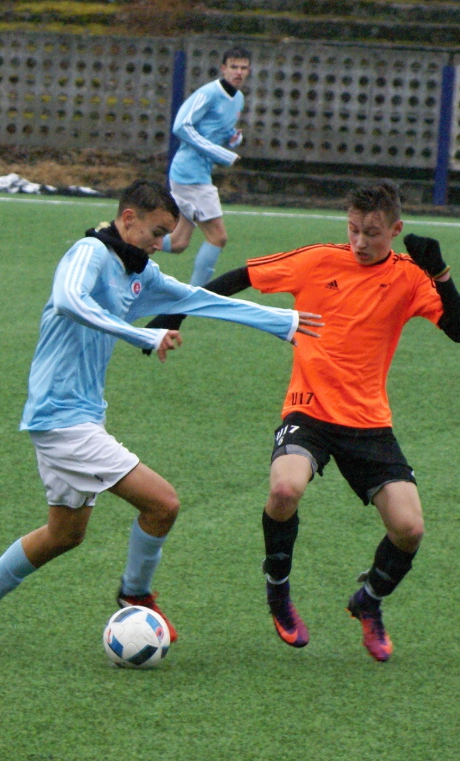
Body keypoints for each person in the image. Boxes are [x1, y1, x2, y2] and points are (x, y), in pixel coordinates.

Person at [0, 180, 321, 646]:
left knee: (64, 534)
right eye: (156, 232)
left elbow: (196, 298)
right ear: (127, 219)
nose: (160, 244)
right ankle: (134, 593)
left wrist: (281, 321)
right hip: (62, 420)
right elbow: (70, 301)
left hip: (76, 416)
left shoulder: (137, 271)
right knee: (163, 504)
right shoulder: (89, 253)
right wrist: (142, 335)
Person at [149, 181, 460, 662]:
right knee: (284, 490)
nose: (360, 242)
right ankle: (278, 588)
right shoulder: (318, 260)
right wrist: (179, 311)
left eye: (373, 233)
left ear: (396, 230)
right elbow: (243, 276)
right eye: (353, 229)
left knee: (410, 529)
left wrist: (440, 275)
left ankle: (368, 601)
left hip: (368, 422)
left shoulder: (410, 277)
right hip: (308, 409)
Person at [159, 46, 251, 289]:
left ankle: (124, 239)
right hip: (190, 174)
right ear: (223, 69)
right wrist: (220, 153)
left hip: (198, 174)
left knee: (178, 243)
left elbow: (218, 132)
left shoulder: (238, 98)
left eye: (243, 68)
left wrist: (233, 139)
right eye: (233, 67)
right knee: (218, 237)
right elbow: (181, 126)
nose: (238, 72)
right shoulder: (208, 93)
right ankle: (196, 296)